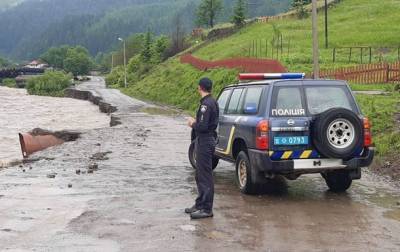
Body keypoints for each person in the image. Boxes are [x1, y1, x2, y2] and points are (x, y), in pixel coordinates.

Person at [186, 77, 219, 220]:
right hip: (204, 140)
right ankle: (200, 203)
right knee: (199, 174)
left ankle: (207, 208)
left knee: (205, 176)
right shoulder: (212, 102)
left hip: (205, 141)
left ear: (200, 87)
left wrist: (193, 123)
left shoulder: (206, 104)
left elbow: (203, 126)